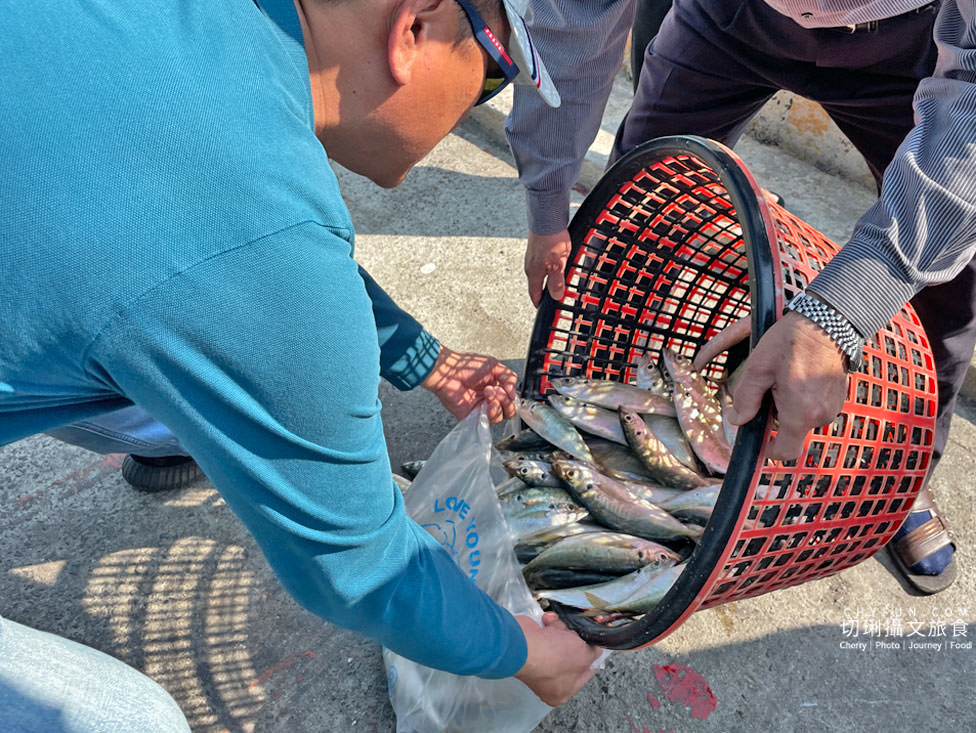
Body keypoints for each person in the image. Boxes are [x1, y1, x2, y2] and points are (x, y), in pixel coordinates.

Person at [0, 0, 600, 728]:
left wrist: (423, 358)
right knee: (128, 720)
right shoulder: (258, 240)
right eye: (492, 81)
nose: (483, 108)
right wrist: (529, 654)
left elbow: (210, 250)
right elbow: (363, 570)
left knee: (136, 334)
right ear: (418, 26)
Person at [506, 0, 976, 594]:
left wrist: (844, 307)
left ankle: (900, 474)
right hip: (729, 16)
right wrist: (547, 202)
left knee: (947, 285)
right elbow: (572, 17)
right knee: (640, 207)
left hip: (918, 42)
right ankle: (614, 406)